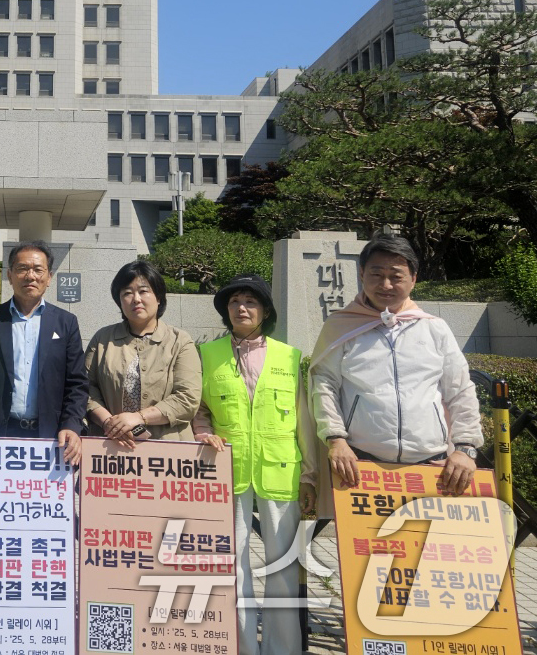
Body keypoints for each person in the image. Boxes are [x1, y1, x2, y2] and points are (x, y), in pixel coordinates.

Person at [193, 273, 316, 655]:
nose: (241, 308)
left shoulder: (289, 355)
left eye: (250, 302)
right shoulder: (207, 354)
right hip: (226, 470)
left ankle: (284, 650)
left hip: (281, 471)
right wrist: (201, 434)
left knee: (282, 568)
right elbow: (200, 410)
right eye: (234, 302)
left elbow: (304, 420)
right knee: (233, 566)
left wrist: (310, 475)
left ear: (264, 311)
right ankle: (243, 647)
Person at [309, 233, 483, 497]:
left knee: (427, 539)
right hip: (361, 463)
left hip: (433, 465)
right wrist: (335, 439)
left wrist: (465, 448)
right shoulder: (341, 327)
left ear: (413, 279)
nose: (386, 284)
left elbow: (460, 390)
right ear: (362, 274)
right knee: (365, 539)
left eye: (396, 275)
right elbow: (323, 385)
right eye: (376, 274)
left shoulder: (434, 328)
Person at [0, 240, 88, 465]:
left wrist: (71, 425)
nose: (30, 276)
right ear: (10, 275)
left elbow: (77, 383)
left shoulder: (66, 323)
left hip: (51, 438)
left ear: (49, 277)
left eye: (38, 269)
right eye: (22, 269)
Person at [85, 260, 201, 445]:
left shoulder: (180, 341)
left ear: (159, 297)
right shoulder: (102, 339)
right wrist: (109, 422)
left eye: (143, 291)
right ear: (119, 301)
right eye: (127, 293)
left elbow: (188, 398)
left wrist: (139, 417)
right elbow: (85, 388)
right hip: (112, 446)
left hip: (168, 449)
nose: (136, 299)